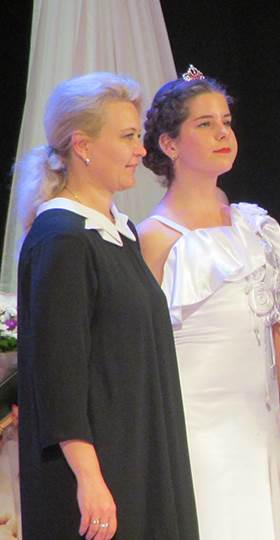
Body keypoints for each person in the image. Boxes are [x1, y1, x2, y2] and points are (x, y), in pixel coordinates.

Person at [138, 67, 280, 539]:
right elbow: (138, 354)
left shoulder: (258, 227)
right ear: (169, 144)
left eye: (226, 121)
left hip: (258, 430)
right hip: (195, 431)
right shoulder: (155, 239)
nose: (223, 133)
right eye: (205, 124)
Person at [15, 73, 199, 539]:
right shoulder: (63, 238)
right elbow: (59, 374)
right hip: (99, 475)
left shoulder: (118, 233)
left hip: (139, 456)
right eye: (128, 136)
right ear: (83, 146)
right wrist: (90, 478)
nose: (140, 149)